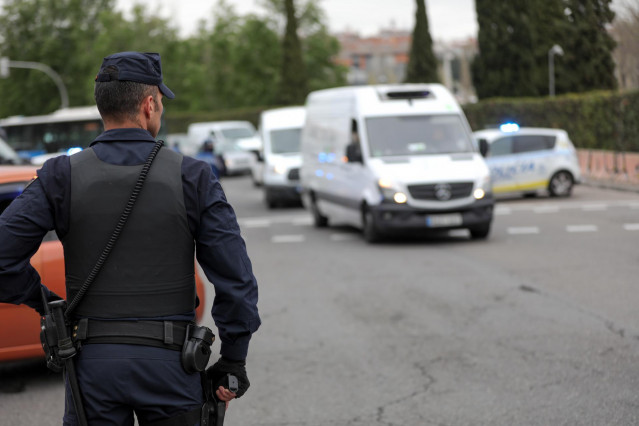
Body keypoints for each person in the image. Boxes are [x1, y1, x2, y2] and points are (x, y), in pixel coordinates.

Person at [0, 51, 260, 425]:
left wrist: (46, 303)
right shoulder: (194, 177)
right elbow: (236, 281)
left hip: (91, 370)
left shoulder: (61, 176)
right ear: (149, 104)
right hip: (172, 367)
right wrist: (233, 359)